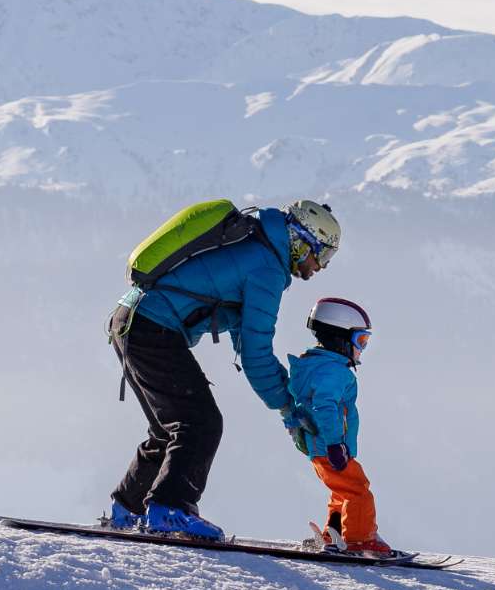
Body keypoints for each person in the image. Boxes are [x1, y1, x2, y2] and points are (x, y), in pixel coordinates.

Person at [106, 199, 343, 540]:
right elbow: (257, 354)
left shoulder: (252, 244)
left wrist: (284, 405)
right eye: (321, 254)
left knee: (170, 428)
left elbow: (245, 344)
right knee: (199, 423)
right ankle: (170, 508)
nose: (319, 267)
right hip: (151, 328)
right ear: (302, 240)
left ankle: (127, 508)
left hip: (130, 320)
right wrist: (289, 409)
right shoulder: (267, 268)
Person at [284, 297, 392, 558]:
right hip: (329, 446)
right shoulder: (334, 372)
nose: (361, 350)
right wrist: (335, 443)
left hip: (321, 447)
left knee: (341, 492)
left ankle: (334, 534)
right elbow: (325, 406)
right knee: (358, 489)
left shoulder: (314, 367)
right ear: (340, 338)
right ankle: (359, 539)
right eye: (361, 341)